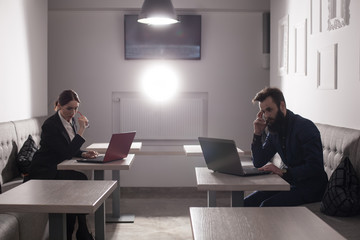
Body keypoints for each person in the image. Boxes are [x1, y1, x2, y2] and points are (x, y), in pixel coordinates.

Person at [27, 89, 98, 240]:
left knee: (77, 182)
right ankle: (82, 228)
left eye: (76, 108)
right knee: (79, 180)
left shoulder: (70, 121)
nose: (73, 112)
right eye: (69, 108)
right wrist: (81, 130)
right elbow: (66, 152)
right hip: (44, 170)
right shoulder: (50, 125)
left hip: (57, 165)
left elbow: (70, 148)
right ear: (59, 105)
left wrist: (83, 153)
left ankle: (75, 230)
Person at [244, 87, 328, 207]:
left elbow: (315, 167)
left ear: (282, 106)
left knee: (266, 206)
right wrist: (257, 134)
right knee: (246, 203)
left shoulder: (305, 127)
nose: (266, 115)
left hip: (312, 188)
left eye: (269, 110)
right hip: (290, 183)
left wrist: (282, 172)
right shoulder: (274, 130)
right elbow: (258, 161)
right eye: (263, 112)